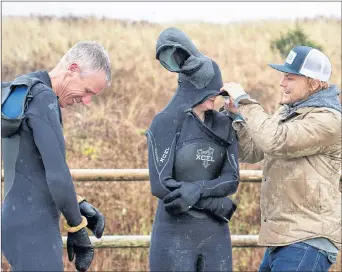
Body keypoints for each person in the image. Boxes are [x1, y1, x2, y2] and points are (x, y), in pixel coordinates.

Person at [220, 45, 341, 271]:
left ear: (313, 83)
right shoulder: (288, 112)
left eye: (290, 77)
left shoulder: (327, 121)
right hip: (283, 238)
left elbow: (275, 141)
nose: (281, 83)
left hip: (307, 239)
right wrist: (236, 115)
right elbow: (253, 151)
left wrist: (245, 102)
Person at [1, 41, 111, 271]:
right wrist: (76, 226)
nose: (87, 101)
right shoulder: (43, 98)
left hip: (16, 221)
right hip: (35, 229)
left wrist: (78, 203)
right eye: (88, 91)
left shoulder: (23, 91)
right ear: (72, 69)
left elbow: (32, 169)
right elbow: (57, 174)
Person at [146, 27, 239, 272]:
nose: (216, 96)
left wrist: (196, 190)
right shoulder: (166, 122)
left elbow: (231, 180)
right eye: (212, 90)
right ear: (195, 87)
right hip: (172, 236)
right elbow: (161, 186)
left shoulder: (223, 123)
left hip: (216, 237)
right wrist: (213, 203)